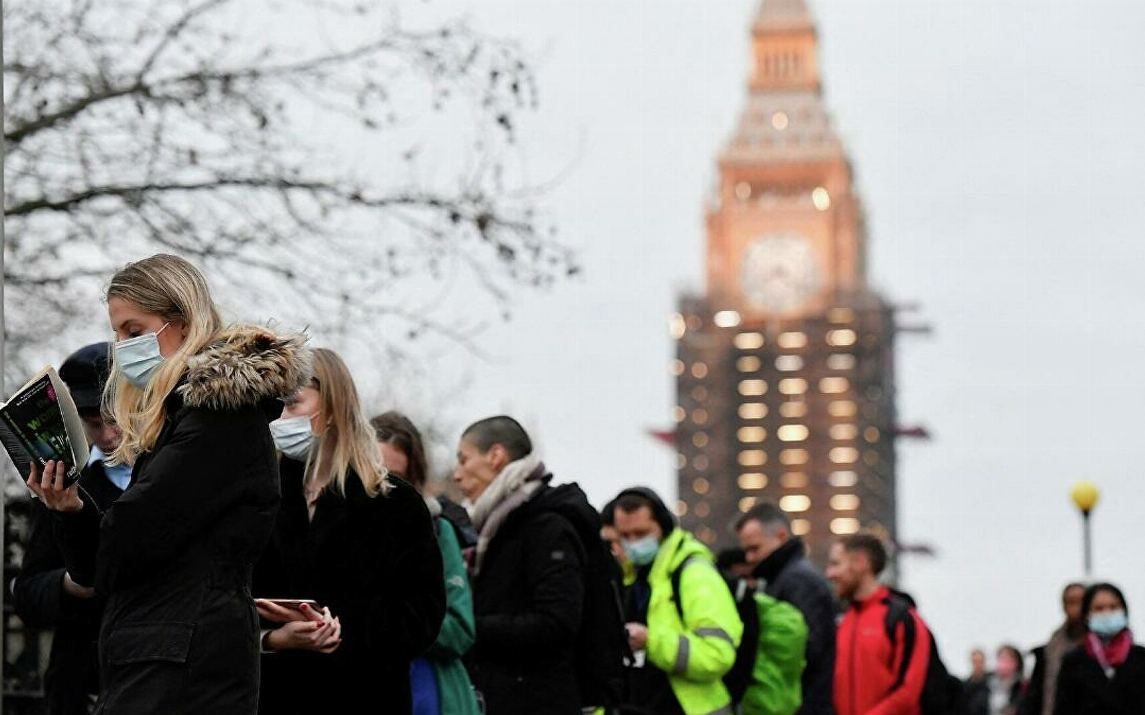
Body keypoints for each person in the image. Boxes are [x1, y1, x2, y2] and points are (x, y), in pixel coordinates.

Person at [27, 254, 312, 714]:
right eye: (117, 333)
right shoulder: (184, 420)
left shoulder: (218, 420)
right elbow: (107, 563)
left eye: (134, 332)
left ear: (180, 323)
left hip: (181, 660)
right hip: (165, 652)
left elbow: (126, 540)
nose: (120, 348)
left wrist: (84, 520)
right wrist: (70, 509)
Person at [253, 349, 445, 714]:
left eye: (293, 404)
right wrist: (273, 638)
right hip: (276, 696)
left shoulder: (395, 503)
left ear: (332, 406)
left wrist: (340, 628)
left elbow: (422, 613)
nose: (280, 420)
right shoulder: (260, 498)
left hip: (366, 695)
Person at [11, 342, 129, 715]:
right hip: (79, 681)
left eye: (116, 420)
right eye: (94, 423)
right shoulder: (62, 483)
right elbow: (28, 594)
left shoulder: (167, 474)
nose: (108, 435)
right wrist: (71, 584)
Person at [452, 415, 590, 715]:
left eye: (464, 460)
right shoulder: (493, 528)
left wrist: (466, 626)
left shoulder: (546, 527)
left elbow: (556, 623)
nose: (457, 474)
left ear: (496, 456)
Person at [371, 410, 482, 715]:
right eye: (373, 473)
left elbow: (459, 628)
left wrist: (389, 619)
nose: (384, 488)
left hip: (427, 689)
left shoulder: (436, 530)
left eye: (396, 479)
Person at [612, 486, 742, 715]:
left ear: (663, 526)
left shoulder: (694, 574)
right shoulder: (633, 578)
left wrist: (651, 642)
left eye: (641, 533)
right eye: (625, 535)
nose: (633, 542)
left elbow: (717, 654)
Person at [736, 502, 837, 715]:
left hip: (803, 705)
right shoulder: (785, 578)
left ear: (781, 536)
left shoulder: (799, 581)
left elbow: (808, 651)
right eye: (746, 550)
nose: (749, 558)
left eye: (755, 548)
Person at [826, 532, 931, 715]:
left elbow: (909, 692)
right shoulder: (840, 621)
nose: (830, 573)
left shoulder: (902, 619)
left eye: (836, 564)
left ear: (860, 563)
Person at [1053, 582, 1145, 715]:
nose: (1107, 614)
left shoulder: (1140, 657)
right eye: (1099, 609)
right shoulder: (1074, 661)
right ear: (1087, 615)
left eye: (1113, 607)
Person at [1018, 583, 1086, 715]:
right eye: (1071, 602)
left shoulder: (1101, 648)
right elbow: (1035, 696)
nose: (1076, 608)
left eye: (1081, 602)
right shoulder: (1049, 652)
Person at [966, 645, 1025, 715]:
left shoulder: (1022, 686)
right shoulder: (985, 682)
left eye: (1009, 659)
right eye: (1002, 658)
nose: (1004, 663)